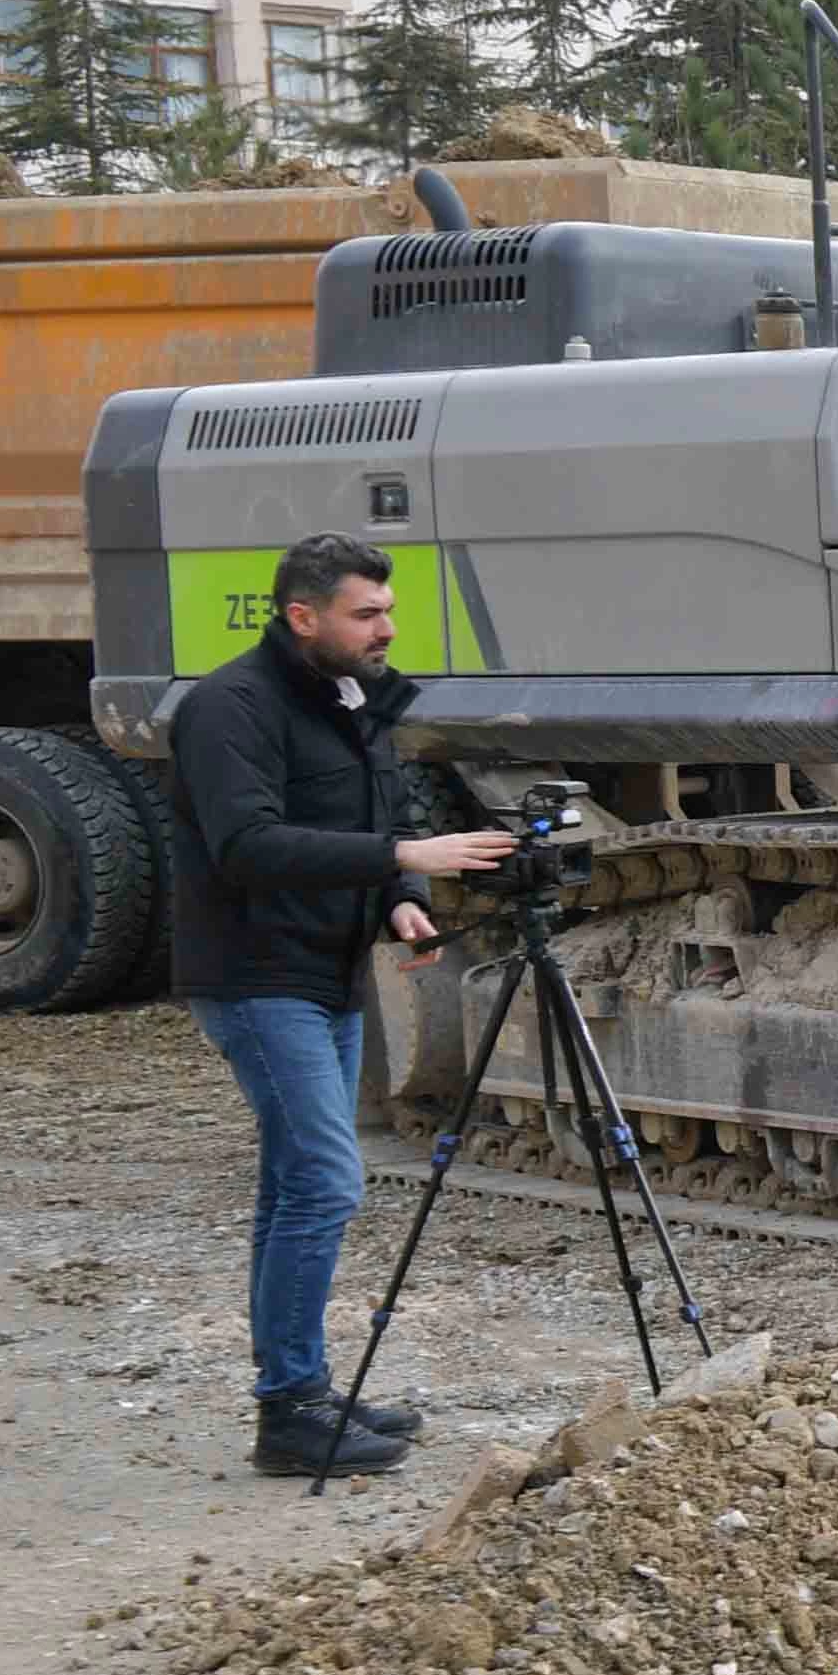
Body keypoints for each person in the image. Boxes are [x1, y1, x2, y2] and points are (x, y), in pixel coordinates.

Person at [165, 533, 512, 1475]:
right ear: (302, 616)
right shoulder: (226, 708)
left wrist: (403, 897)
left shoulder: (356, 700)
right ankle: (291, 1416)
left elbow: (381, 815)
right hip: (254, 975)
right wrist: (404, 860)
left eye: (388, 611)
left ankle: (299, 1388)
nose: (386, 629)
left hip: (328, 969)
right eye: (366, 614)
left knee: (293, 1187)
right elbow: (248, 845)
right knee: (324, 1182)